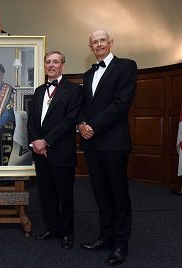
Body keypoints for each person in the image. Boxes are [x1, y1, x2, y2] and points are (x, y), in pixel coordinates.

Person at [78, 29, 137, 266]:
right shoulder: (88, 74)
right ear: (90, 47)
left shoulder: (126, 66)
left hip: (114, 143)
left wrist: (92, 126)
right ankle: (106, 236)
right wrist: (81, 124)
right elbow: (84, 105)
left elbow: (120, 105)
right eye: (94, 41)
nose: (99, 44)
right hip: (92, 145)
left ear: (111, 42)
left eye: (103, 40)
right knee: (100, 195)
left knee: (118, 195)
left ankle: (121, 244)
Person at [27, 51, 82, 250]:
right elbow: (32, 120)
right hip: (41, 153)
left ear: (63, 66)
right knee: (46, 193)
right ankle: (52, 227)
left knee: (64, 195)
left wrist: (46, 142)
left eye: (55, 62)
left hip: (61, 151)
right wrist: (36, 142)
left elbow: (69, 121)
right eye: (48, 62)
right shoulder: (39, 90)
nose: (51, 65)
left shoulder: (74, 90)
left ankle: (67, 232)